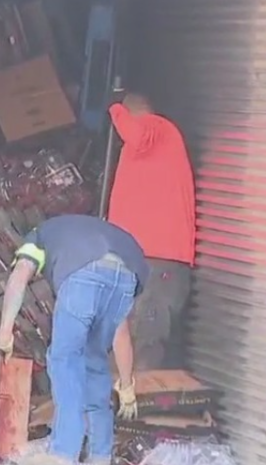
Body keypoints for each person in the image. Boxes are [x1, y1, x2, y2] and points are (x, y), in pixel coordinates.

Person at [0, 214, 150, 465]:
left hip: (83, 270)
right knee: (94, 361)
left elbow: (20, 275)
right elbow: (121, 331)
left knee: (64, 359)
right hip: (129, 272)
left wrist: (4, 333)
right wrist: (126, 385)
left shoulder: (38, 236)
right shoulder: (81, 230)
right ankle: (100, 455)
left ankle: (63, 453)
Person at [107, 92, 196, 370]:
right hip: (143, 259)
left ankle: (143, 406)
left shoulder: (158, 130)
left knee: (147, 338)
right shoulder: (146, 148)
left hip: (159, 259)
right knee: (131, 335)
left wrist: (115, 109)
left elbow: (136, 132)